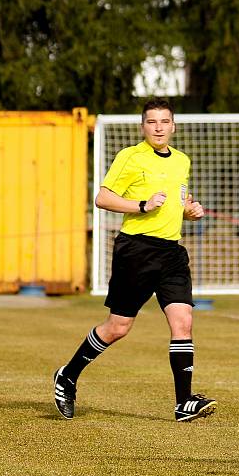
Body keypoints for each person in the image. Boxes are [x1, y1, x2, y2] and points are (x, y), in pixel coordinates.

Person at [53, 98, 217, 423]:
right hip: (136, 251)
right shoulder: (130, 156)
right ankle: (68, 375)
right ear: (143, 126)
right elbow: (102, 198)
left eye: (164, 121)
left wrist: (190, 211)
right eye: (152, 122)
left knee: (183, 322)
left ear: (173, 126)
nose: (158, 127)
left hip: (172, 252)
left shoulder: (182, 161)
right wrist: (141, 204)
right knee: (118, 327)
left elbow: (178, 202)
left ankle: (184, 402)